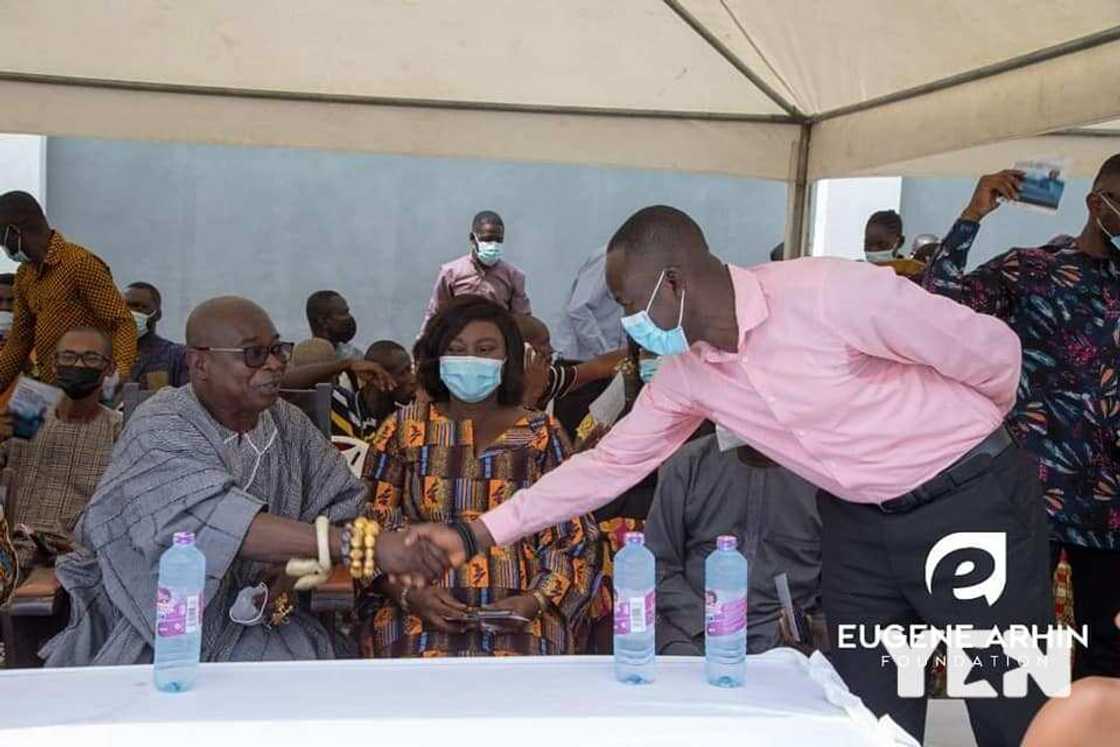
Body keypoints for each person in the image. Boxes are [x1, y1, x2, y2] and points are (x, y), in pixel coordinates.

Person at [413, 205, 1048, 746]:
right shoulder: (689, 374)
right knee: (863, 710)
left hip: (968, 505)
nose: (627, 321)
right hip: (858, 526)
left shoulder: (830, 293)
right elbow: (607, 465)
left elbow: (994, 356)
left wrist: (965, 448)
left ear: (673, 281)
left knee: (1007, 699)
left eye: (629, 303)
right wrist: (477, 534)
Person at [41, 296, 447, 666]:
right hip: (153, 627)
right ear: (200, 363)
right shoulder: (161, 424)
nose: (274, 364)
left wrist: (298, 565)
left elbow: (344, 505)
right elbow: (213, 520)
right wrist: (359, 545)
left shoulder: (288, 423)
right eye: (254, 354)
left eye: (278, 349)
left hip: (264, 621)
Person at [923, 156, 1120, 680]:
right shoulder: (1032, 269)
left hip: (1111, 507)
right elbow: (937, 303)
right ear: (1098, 204)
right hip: (1030, 491)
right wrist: (972, 215)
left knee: (1110, 656)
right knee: (1003, 649)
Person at [359, 295, 600, 658]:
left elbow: (572, 534)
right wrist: (408, 595)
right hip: (416, 609)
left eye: (485, 349)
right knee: (414, 670)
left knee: (531, 673)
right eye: (456, 350)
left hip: (523, 615)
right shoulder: (403, 430)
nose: (470, 360)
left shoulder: (541, 434)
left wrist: (535, 600)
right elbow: (370, 526)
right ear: (436, 359)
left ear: (508, 359)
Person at [644, 429, 821, 656]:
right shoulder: (689, 463)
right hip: (692, 632)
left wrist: (812, 630)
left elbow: (842, 584)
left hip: (786, 640)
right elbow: (658, 566)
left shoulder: (823, 476)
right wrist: (702, 622)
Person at [0, 328, 122, 572]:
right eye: (68, 356)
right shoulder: (31, 408)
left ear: (109, 368)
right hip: (12, 549)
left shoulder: (117, 428)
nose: (78, 365)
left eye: (91, 358)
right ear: (54, 365)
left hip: (73, 560)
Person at [0, 191, 137, 391]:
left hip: (89, 386)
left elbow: (121, 321)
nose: (3, 247)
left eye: (2, 240)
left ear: (14, 232)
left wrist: (119, 373)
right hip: (51, 388)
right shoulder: (24, 274)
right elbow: (19, 340)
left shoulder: (79, 264)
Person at [419, 211, 531, 335]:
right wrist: (423, 341)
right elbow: (436, 313)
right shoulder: (451, 273)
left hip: (496, 341)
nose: (493, 245)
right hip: (459, 339)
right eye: (487, 239)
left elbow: (523, 319)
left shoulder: (513, 276)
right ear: (473, 239)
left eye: (498, 240)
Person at [516, 314, 626, 412]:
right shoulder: (507, 392)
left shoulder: (546, 377)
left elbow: (598, 367)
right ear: (525, 349)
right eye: (544, 343)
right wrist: (532, 394)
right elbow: (521, 428)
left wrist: (634, 351)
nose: (552, 350)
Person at [552, 245, 625, 363]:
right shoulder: (608, 258)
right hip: (580, 359)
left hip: (608, 359)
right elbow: (578, 309)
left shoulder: (638, 260)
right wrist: (606, 354)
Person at [125, 281, 189, 391]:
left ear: (157, 314)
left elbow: (188, 397)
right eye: (125, 307)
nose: (130, 313)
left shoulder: (177, 356)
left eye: (139, 307)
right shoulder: (104, 355)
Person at [358, 340, 417, 427]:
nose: (413, 380)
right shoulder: (343, 407)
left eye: (410, 370)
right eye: (402, 373)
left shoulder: (405, 422)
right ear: (376, 378)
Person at [864, 209, 925, 280]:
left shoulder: (913, 274)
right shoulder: (859, 273)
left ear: (899, 242)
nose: (873, 250)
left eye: (882, 245)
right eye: (868, 244)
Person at [305, 290, 363, 362]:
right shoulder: (302, 359)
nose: (349, 317)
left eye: (348, 312)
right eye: (343, 313)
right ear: (323, 321)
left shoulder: (353, 355)